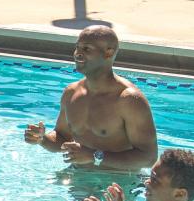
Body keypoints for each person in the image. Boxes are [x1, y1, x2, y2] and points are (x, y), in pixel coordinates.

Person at [24, 25, 159, 171]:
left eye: (87, 49)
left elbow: (149, 158)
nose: (78, 54)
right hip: (76, 179)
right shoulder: (71, 93)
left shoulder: (128, 100)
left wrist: (95, 156)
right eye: (77, 48)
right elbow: (62, 137)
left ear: (109, 53)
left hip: (117, 185)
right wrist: (42, 139)